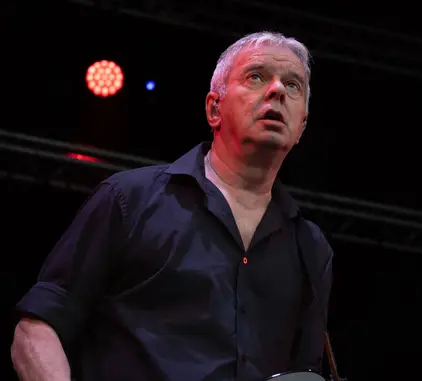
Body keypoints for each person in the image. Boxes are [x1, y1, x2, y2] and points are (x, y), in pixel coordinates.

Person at [11, 31, 334, 381]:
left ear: (301, 126)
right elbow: (36, 332)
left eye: (293, 85)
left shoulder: (310, 248)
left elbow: (305, 372)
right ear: (214, 108)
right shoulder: (129, 200)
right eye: (256, 77)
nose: (277, 91)